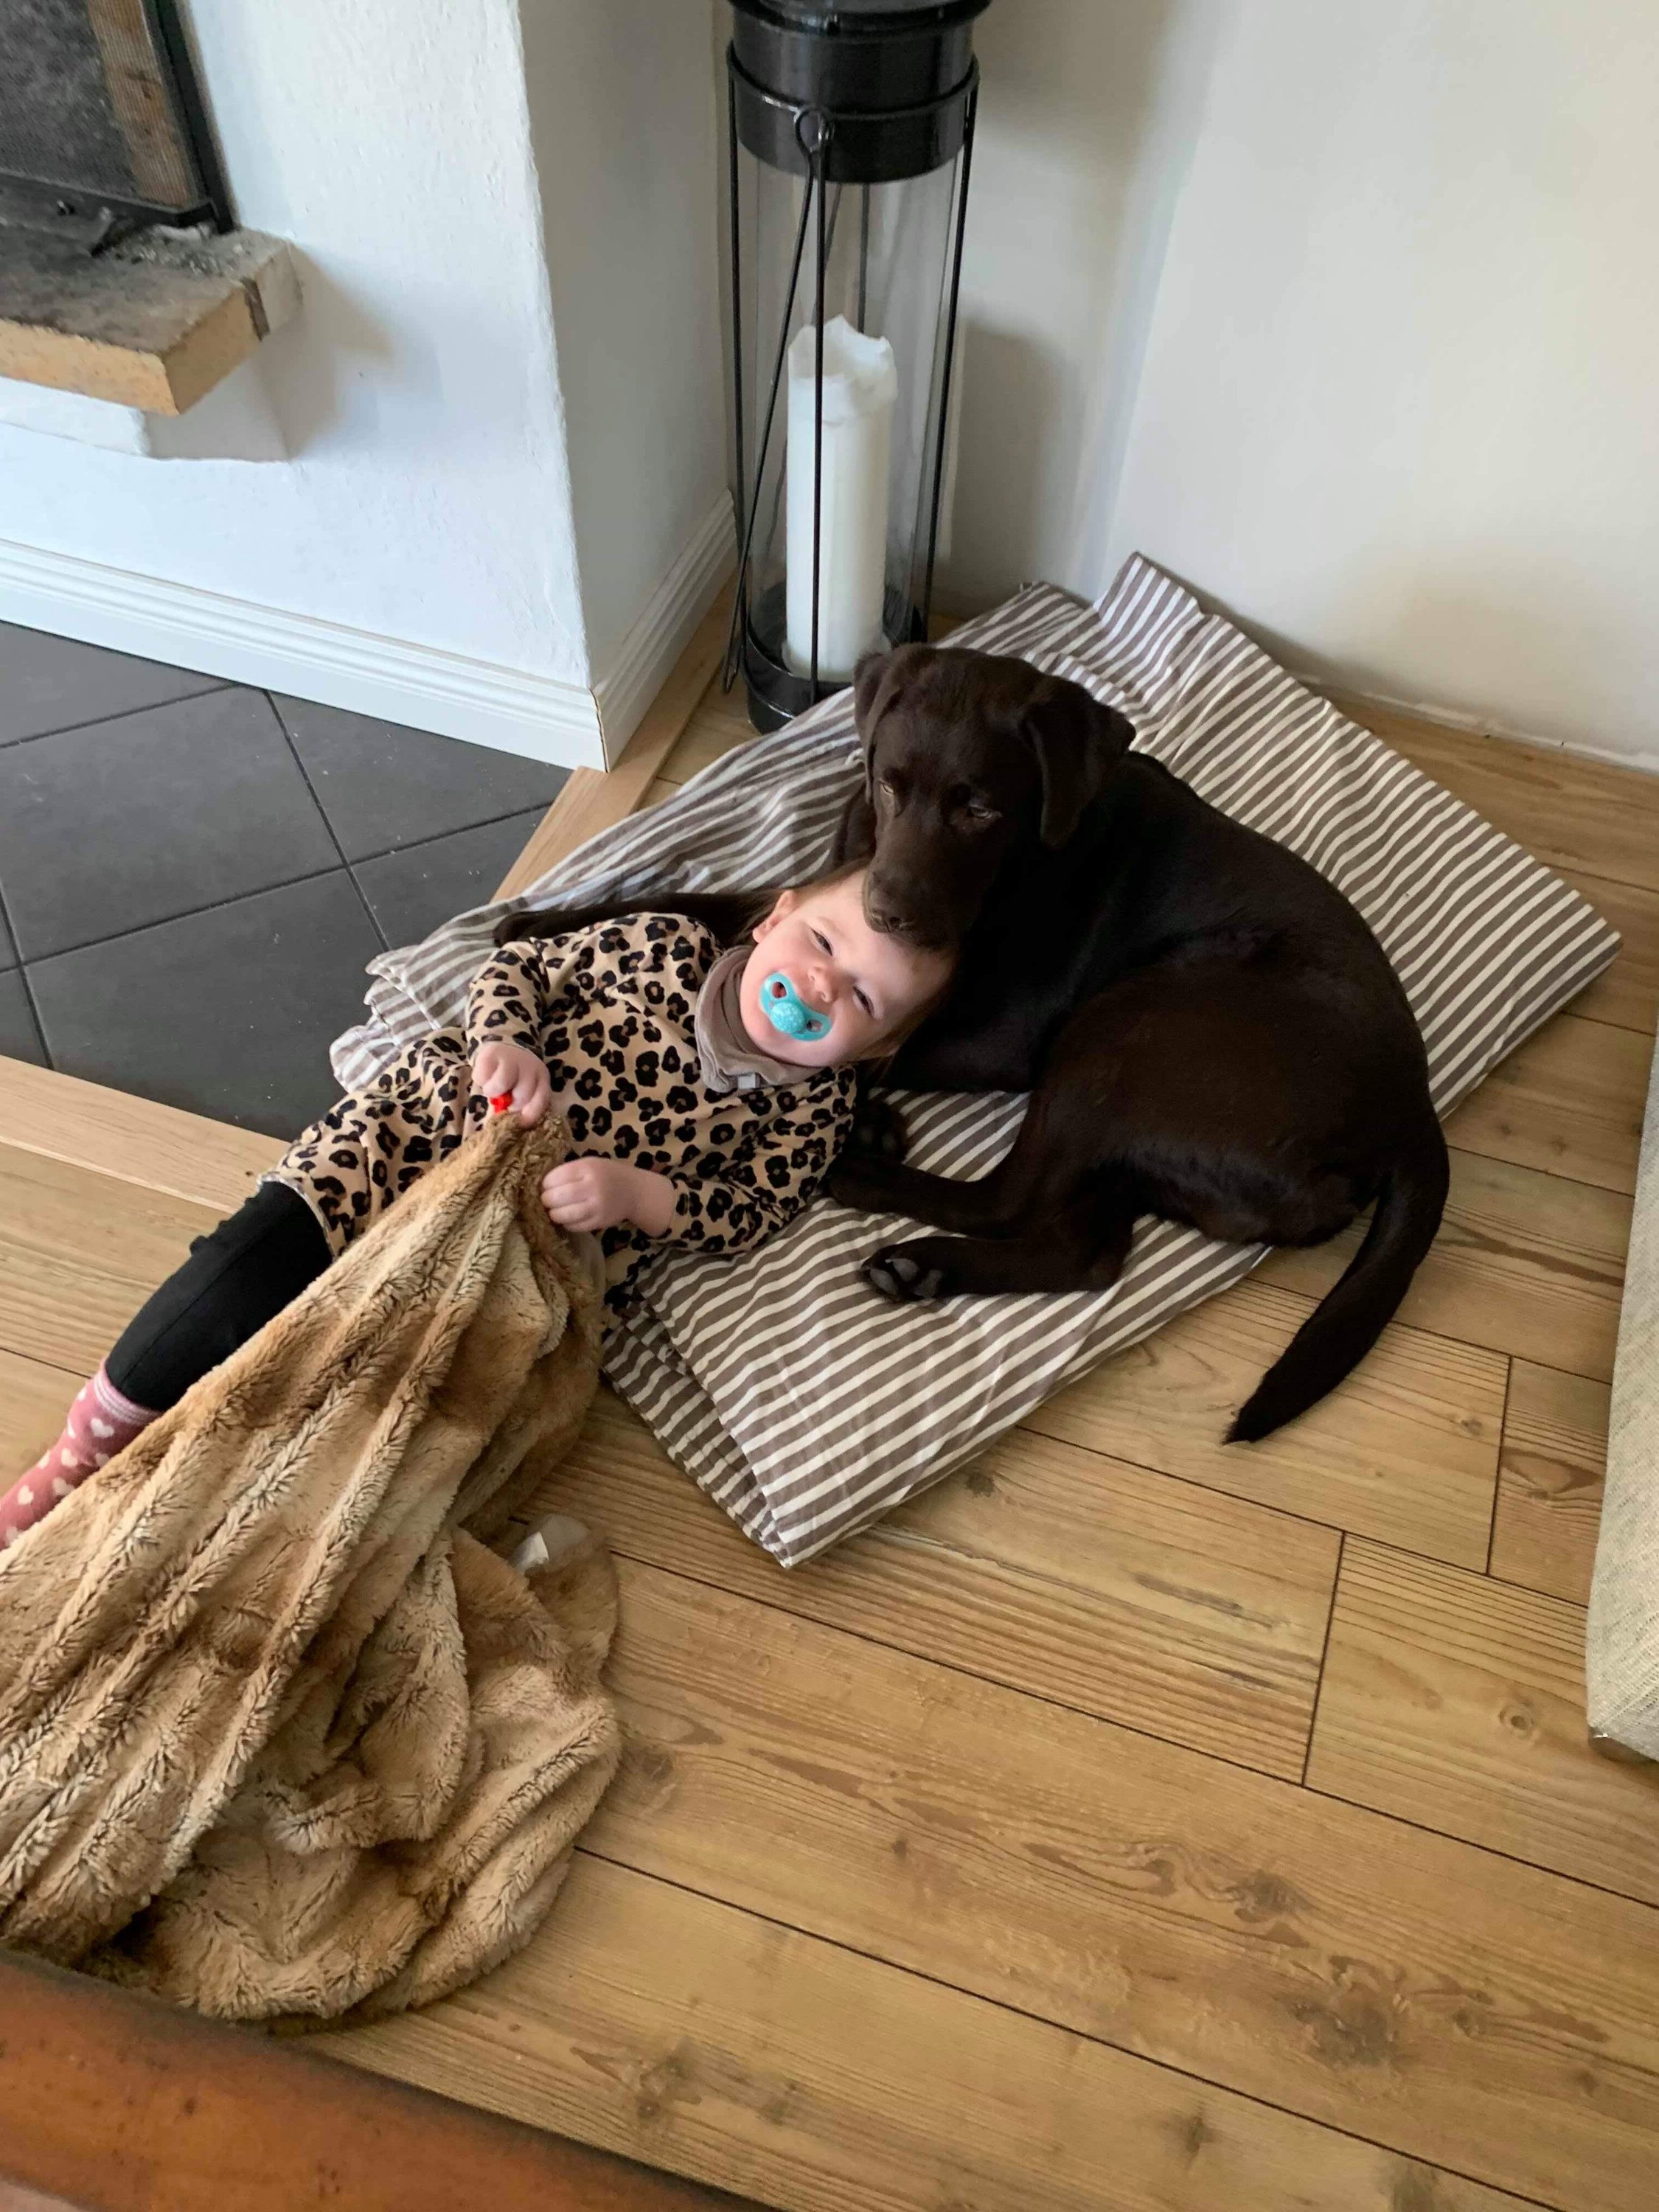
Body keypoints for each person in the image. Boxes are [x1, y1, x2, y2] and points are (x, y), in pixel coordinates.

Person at [1, 866, 953, 1550]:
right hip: (419, 1134)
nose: (820, 986)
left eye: (862, 1000)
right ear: (775, 917)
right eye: (822, 944)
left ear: (873, 1051)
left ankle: (210, 1511)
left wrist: (643, 1197)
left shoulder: (812, 1108)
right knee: (239, 1277)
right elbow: (520, 969)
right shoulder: (664, 946)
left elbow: (750, 1208)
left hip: (529, 1250)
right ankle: (84, 1452)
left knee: (391, 1399)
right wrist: (507, 1043)